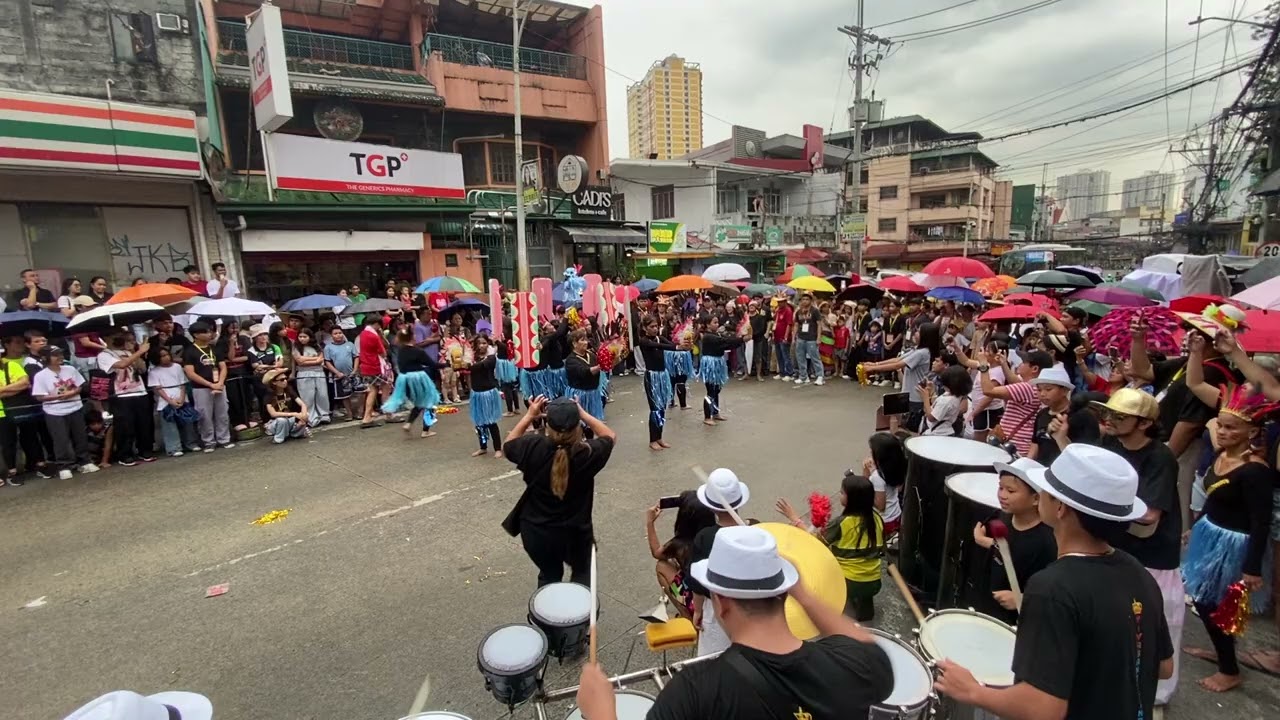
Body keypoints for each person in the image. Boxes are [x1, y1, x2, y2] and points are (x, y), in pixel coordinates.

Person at [934, 444, 1174, 720]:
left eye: (1045, 491)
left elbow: (1043, 708)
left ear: (1060, 507)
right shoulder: (1139, 572)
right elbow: (1164, 666)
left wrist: (973, 691)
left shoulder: (1052, 588)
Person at [576, 524, 894, 720]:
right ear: (784, 592)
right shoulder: (854, 663)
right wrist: (804, 593)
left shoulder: (695, 692)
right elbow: (860, 640)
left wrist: (601, 713)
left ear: (722, 602)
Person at [1078, 388, 1184, 704]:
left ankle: (1155, 691)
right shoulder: (1111, 443)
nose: (1109, 420)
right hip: (1119, 542)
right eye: (1108, 413)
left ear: (1144, 423)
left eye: (1120, 416)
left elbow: (1150, 515)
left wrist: (1101, 513)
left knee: (1156, 620)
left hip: (1152, 552)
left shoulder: (1161, 457)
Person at [1180, 383, 1276, 693]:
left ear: (1252, 431)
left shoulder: (1255, 472)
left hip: (1235, 546)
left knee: (1215, 606)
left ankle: (1229, 669)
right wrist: (1197, 526)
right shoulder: (1222, 455)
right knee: (1210, 604)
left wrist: (1252, 568)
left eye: (1231, 428)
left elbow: (1261, 522)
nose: (1221, 432)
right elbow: (1214, 497)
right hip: (1210, 535)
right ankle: (1224, 653)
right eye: (1220, 425)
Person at [1129, 313, 1241, 529]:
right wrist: (1138, 339)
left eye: (1195, 332)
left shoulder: (1211, 372)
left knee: (1179, 503)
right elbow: (1142, 370)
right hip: (1165, 443)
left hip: (1184, 448)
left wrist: (1166, 458)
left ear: (1212, 341)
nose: (1187, 336)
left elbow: (1191, 422)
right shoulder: (1187, 363)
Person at [502, 396, 616, 587]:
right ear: (577, 426)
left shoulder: (532, 446)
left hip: (536, 532)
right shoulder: (587, 453)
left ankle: (545, 614)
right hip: (575, 534)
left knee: (549, 575)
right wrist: (582, 412)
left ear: (548, 425)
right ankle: (581, 615)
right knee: (583, 574)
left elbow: (508, 445)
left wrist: (529, 415)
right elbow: (610, 436)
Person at [779, 472, 885, 621]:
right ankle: (865, 608)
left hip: (849, 582)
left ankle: (836, 605)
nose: (840, 496)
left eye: (842, 493)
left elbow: (813, 542)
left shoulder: (841, 523)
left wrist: (795, 519)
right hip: (874, 582)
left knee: (819, 564)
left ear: (852, 499)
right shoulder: (877, 519)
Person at [973, 458, 1056, 624]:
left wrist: (1021, 599)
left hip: (1015, 622)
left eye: (1010, 491)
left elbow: (1051, 591)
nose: (1002, 495)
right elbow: (1009, 550)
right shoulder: (1004, 518)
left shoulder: (1047, 542)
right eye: (1000, 487)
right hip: (989, 607)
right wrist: (985, 541)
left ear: (1035, 499)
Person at [685, 468, 754, 656]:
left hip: (716, 608)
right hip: (752, 608)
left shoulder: (705, 537)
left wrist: (697, 611)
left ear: (711, 507)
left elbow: (698, 584)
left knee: (715, 658)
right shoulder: (755, 531)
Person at [646, 490, 717, 620]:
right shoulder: (718, 533)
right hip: (721, 599)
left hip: (699, 602)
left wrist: (650, 522)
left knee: (662, 566)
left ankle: (687, 617)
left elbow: (657, 553)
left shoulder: (680, 545)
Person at [862, 322, 943, 432]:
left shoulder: (922, 353)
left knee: (908, 427)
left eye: (919, 331)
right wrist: (875, 364)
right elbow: (897, 359)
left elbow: (898, 365)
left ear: (926, 335)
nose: (915, 333)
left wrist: (872, 369)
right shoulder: (917, 350)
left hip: (915, 396)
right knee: (901, 424)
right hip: (909, 393)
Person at [31, 346, 98, 479]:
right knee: (60, 439)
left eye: (60, 354)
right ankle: (64, 465)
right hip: (55, 411)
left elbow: (79, 385)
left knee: (80, 435)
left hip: (75, 406)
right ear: (45, 358)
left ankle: (85, 461)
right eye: (55, 355)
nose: (59, 357)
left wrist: (72, 392)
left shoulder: (70, 369)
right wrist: (57, 397)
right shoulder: (41, 375)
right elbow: (39, 396)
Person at [980, 350, 1056, 457]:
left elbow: (988, 390)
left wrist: (983, 365)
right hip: (1021, 445)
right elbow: (1015, 381)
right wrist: (1003, 364)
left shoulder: (1027, 388)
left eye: (1024, 362)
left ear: (1034, 369)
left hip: (1011, 445)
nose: (1020, 364)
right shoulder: (1037, 387)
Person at [97, 331, 154, 466]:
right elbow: (121, 365)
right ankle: (125, 454)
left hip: (139, 391)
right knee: (125, 426)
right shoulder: (104, 355)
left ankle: (144, 450)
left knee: (143, 424)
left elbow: (142, 369)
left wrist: (135, 352)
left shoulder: (129, 352)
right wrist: (139, 352)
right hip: (121, 394)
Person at [1031, 366, 1100, 465]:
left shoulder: (1083, 417)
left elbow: (1088, 455)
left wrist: (1062, 438)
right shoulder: (1042, 414)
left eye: (1048, 389)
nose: (1042, 394)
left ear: (1064, 391)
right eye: (1039, 390)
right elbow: (1035, 444)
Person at [182, 321, 233, 452]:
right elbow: (190, 373)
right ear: (196, 335)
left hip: (219, 385)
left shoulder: (214, 348)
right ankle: (208, 441)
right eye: (205, 332)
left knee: (222, 413)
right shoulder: (189, 351)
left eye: (209, 331)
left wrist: (220, 382)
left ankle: (224, 439)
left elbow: (223, 366)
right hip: (201, 388)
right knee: (205, 415)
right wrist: (210, 384)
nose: (209, 334)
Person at [382, 327, 441, 438]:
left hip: (404, 379)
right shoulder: (417, 351)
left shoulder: (401, 351)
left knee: (419, 403)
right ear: (412, 337)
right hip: (418, 378)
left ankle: (408, 424)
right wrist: (447, 364)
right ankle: (425, 430)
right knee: (430, 402)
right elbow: (432, 364)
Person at [637, 316, 678, 451]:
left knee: (662, 408)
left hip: (663, 376)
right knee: (655, 409)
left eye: (656, 326)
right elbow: (658, 346)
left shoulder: (660, 338)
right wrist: (676, 347)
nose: (655, 329)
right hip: (652, 378)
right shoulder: (644, 341)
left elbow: (671, 345)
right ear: (645, 328)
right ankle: (652, 440)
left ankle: (659, 437)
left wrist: (683, 345)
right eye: (651, 327)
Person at [698, 314, 745, 426]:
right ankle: (707, 416)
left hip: (718, 362)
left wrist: (739, 338)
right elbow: (725, 342)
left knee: (716, 389)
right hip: (710, 364)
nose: (717, 324)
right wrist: (741, 339)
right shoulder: (708, 336)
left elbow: (726, 341)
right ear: (707, 325)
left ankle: (715, 412)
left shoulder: (716, 334)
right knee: (710, 391)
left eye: (717, 322)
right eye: (714, 322)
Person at [147, 347, 193, 457]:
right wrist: (169, 400)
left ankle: (190, 443)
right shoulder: (154, 371)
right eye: (162, 356)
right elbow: (157, 389)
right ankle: (174, 448)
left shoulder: (177, 367)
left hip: (180, 396)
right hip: (166, 400)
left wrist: (182, 397)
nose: (166, 358)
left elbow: (183, 383)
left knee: (187, 423)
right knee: (169, 425)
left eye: (166, 355)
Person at [467, 334, 504, 457]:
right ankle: (483, 447)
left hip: (488, 392)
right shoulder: (472, 357)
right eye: (479, 343)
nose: (482, 345)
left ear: (487, 344)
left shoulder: (491, 357)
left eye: (484, 343)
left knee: (491, 422)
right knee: (479, 422)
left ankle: (498, 448)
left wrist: (468, 366)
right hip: (476, 393)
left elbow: (482, 366)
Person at [216, 320, 255, 432]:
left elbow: (247, 357)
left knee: (247, 396)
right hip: (231, 374)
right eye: (232, 328)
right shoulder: (222, 342)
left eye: (236, 328)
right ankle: (237, 421)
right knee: (235, 398)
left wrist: (232, 359)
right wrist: (232, 344)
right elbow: (227, 358)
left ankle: (248, 418)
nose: (235, 330)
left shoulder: (243, 339)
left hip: (244, 372)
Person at [564, 328, 606, 425]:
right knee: (580, 423)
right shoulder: (571, 360)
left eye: (586, 339)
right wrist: (600, 366)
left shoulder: (591, 355)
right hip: (579, 394)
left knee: (591, 423)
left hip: (593, 393)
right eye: (582, 340)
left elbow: (599, 365)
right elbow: (583, 372)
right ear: (574, 344)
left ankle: (589, 438)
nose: (586, 342)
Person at [291, 328, 330, 427]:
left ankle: (324, 415)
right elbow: (299, 361)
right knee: (308, 397)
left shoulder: (317, 346)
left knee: (322, 395)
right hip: (304, 373)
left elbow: (321, 359)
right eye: (300, 337)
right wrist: (315, 359)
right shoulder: (296, 347)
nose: (302, 339)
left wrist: (306, 360)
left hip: (319, 372)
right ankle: (311, 417)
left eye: (305, 337)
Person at [261, 368, 311, 444]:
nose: (285, 381)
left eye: (285, 379)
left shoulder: (289, 390)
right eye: (282, 380)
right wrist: (294, 414)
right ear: (274, 382)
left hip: (288, 420)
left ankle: (295, 434)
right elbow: (273, 414)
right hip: (274, 423)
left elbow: (302, 404)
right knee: (282, 420)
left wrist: (303, 415)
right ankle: (278, 438)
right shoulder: (269, 395)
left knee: (306, 414)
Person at [356, 315, 389, 428]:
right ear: (376, 324)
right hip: (375, 365)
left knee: (372, 390)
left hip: (365, 365)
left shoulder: (363, 334)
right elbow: (383, 352)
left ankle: (367, 417)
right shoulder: (374, 336)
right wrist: (381, 336)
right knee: (384, 387)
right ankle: (387, 413)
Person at [921, 364, 971, 437]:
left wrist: (925, 399)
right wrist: (932, 391)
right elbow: (937, 404)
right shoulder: (955, 395)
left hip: (938, 433)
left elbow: (931, 418)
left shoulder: (947, 400)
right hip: (946, 430)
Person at [322, 326, 359, 421]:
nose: (338, 335)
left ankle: (359, 412)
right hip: (339, 376)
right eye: (335, 333)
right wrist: (337, 373)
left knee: (359, 392)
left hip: (352, 373)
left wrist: (355, 370)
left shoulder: (350, 344)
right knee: (344, 395)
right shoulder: (328, 347)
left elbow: (356, 357)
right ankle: (349, 414)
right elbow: (327, 362)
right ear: (331, 336)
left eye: (340, 333)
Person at [791, 294, 825, 385]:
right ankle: (803, 376)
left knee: (815, 358)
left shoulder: (815, 311)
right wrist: (794, 337)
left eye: (807, 299)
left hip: (812, 338)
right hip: (801, 337)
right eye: (803, 299)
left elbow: (819, 324)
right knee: (800, 357)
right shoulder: (799, 312)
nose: (805, 301)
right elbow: (796, 325)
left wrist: (818, 337)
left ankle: (820, 376)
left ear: (810, 301)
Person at [772, 296, 795, 380]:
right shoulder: (778, 310)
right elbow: (775, 321)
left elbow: (789, 324)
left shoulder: (788, 311)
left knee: (785, 355)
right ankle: (781, 372)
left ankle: (789, 373)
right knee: (779, 355)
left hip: (784, 336)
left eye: (781, 302)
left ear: (785, 302)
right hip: (777, 335)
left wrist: (786, 336)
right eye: (778, 302)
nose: (779, 303)